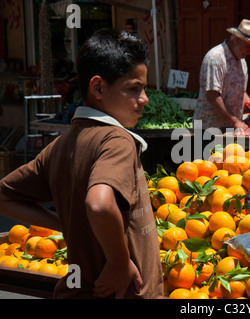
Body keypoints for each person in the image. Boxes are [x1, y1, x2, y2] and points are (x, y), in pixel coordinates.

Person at [0, 29, 164, 299]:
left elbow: (4, 197)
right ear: (98, 87)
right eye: (134, 89)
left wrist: (67, 224)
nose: (144, 99)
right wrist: (118, 263)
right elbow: (98, 204)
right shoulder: (117, 140)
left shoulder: (61, 145)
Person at [193, 19, 250, 132]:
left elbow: (240, 90)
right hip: (208, 129)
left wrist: (248, 103)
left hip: (229, 128)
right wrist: (235, 121)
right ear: (237, 39)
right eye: (249, 46)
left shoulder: (242, 61)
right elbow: (213, 96)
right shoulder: (216, 58)